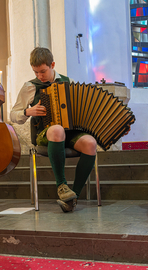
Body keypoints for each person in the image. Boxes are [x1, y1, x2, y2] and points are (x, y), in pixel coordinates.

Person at [10, 47, 97, 212]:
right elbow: (13, 114)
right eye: (36, 72)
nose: (39, 76)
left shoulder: (67, 82)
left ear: (52, 65)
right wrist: (28, 111)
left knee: (90, 143)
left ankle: (72, 198)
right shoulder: (30, 86)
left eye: (43, 71)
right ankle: (62, 186)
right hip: (45, 133)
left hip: (70, 132)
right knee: (56, 129)